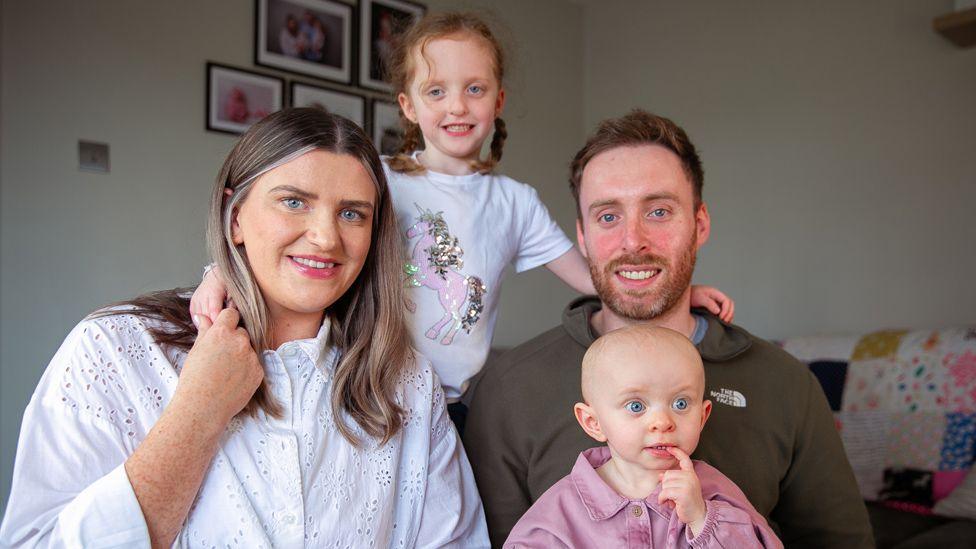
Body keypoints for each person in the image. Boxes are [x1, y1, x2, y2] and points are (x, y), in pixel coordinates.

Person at [190, 13, 734, 434]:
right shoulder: (378, 179)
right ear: (408, 105)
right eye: (436, 91)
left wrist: (679, 291)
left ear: (498, 100)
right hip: (356, 381)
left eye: (474, 89)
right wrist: (223, 271)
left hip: (451, 406)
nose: (457, 105)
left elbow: (597, 277)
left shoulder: (515, 203)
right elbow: (303, 239)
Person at [0, 108, 489, 547]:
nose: (325, 237)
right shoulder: (114, 350)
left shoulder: (406, 381)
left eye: (351, 213)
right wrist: (197, 414)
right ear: (235, 217)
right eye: (293, 202)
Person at [463, 110, 874, 548]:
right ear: (582, 238)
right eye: (608, 217)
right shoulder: (511, 388)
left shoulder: (786, 384)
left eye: (658, 211)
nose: (632, 240)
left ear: (699, 225)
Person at [505, 326, 782, 548]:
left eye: (681, 404)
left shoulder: (714, 491)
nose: (662, 422)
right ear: (593, 422)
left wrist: (701, 518)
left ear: (702, 416)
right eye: (636, 406)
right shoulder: (561, 510)